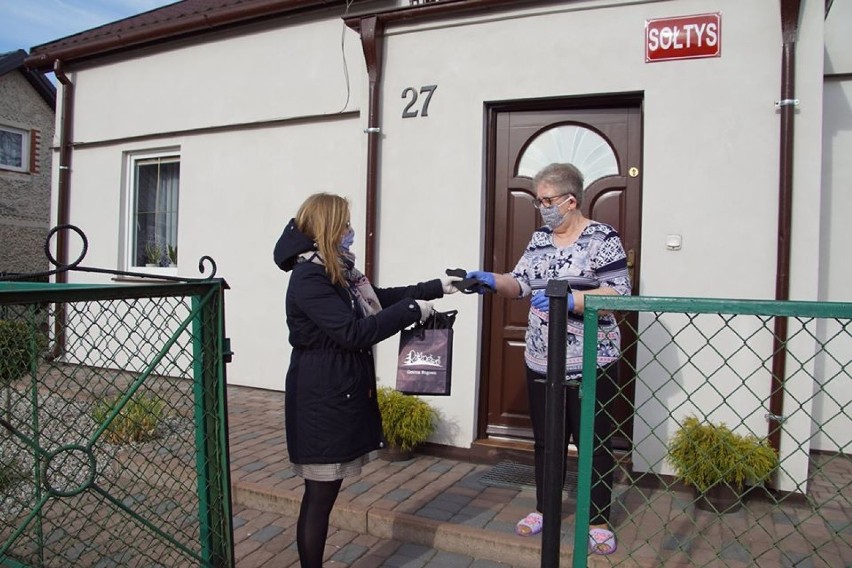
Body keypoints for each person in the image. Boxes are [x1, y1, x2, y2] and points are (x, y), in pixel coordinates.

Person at [273, 192, 458, 568]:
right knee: (319, 496)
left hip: (335, 388)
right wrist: (411, 311)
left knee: (324, 493)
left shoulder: (335, 269)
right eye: (344, 224)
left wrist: (436, 287)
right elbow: (354, 332)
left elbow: (377, 298)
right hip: (320, 396)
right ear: (327, 227)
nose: (350, 230)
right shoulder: (309, 276)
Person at [466, 162, 630, 555]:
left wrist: (569, 299)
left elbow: (619, 294)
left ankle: (597, 518)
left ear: (570, 201)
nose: (542, 208)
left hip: (592, 359)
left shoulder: (601, 239)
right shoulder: (540, 239)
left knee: (594, 441)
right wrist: (491, 281)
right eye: (539, 201)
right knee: (547, 441)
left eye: (547, 200)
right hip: (541, 358)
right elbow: (520, 282)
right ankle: (545, 508)